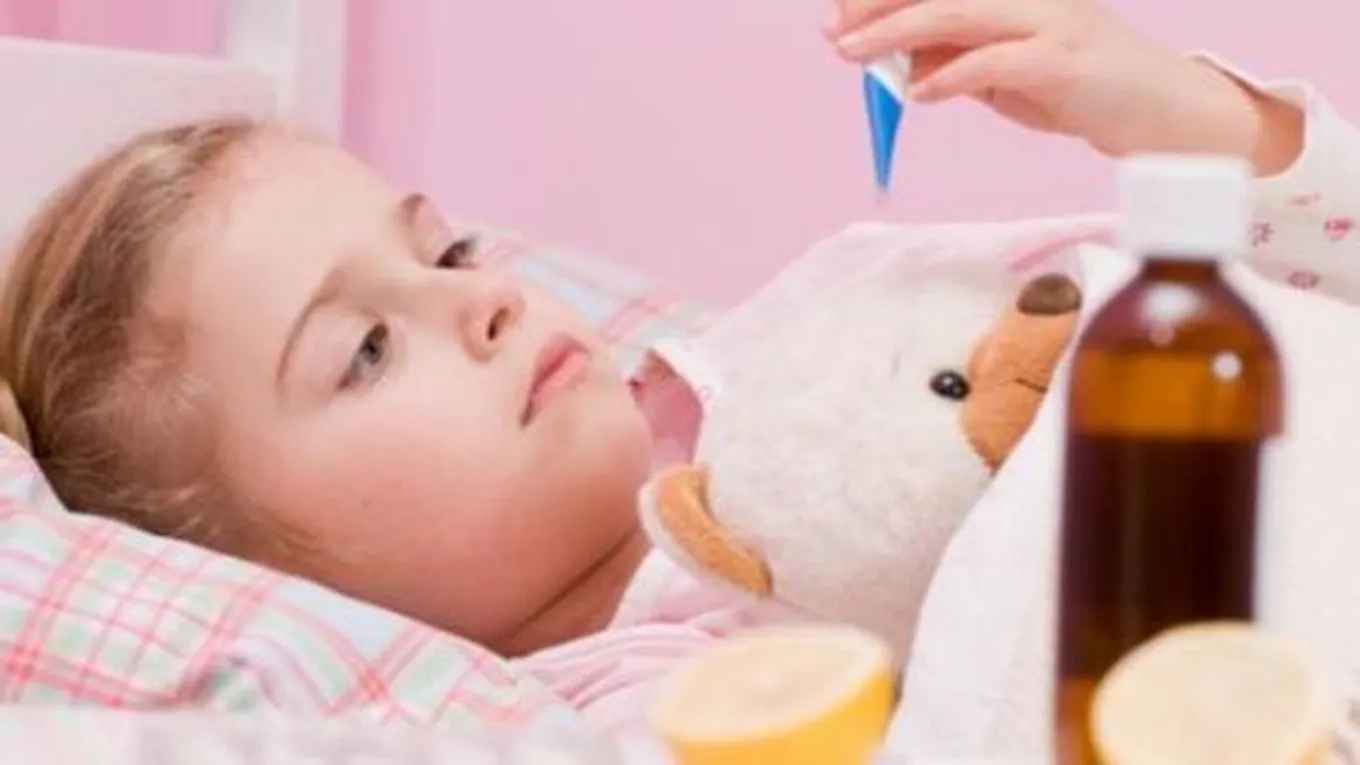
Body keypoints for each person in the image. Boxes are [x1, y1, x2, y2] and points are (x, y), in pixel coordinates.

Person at [0, 0, 1353, 733]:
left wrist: (1190, 120)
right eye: (363, 349)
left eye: (449, 249)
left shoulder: (807, 371)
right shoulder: (612, 719)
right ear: (264, 578)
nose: (483, 301)